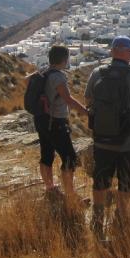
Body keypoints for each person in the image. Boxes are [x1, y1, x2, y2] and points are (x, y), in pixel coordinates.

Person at [84, 36, 130, 240]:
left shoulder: (97, 73)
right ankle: (120, 219)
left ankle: (97, 220)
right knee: (126, 184)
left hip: (102, 140)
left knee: (100, 181)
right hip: (129, 142)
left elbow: (88, 100)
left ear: (112, 52)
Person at [35, 45, 88, 196]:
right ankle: (70, 195)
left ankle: (50, 188)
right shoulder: (58, 76)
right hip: (56, 121)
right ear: (65, 60)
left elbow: (26, 82)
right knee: (69, 157)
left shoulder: (43, 71)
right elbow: (68, 99)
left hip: (41, 118)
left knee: (46, 154)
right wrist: (85, 111)